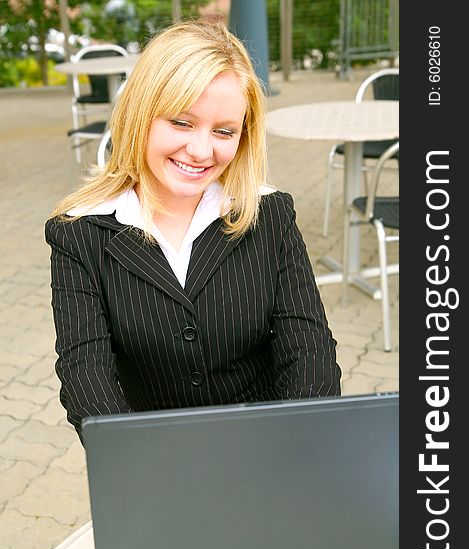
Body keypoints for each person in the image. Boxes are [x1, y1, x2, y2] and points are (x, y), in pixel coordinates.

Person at [45, 19, 341, 442]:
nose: (202, 151)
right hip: (151, 459)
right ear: (140, 116)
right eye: (181, 123)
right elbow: (86, 374)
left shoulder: (269, 213)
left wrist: (300, 445)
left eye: (224, 131)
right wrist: (138, 463)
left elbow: (308, 351)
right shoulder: (79, 232)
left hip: (271, 448)